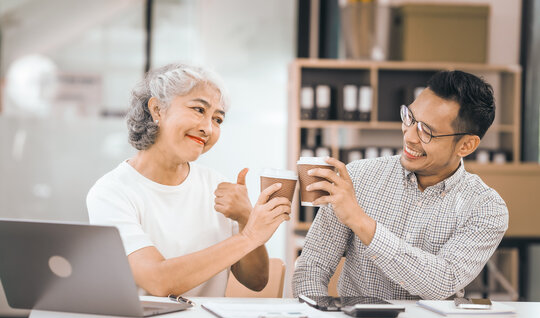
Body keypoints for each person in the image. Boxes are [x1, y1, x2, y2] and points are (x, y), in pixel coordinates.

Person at [293, 70, 509, 300]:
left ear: (466, 146)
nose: (410, 136)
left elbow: (442, 282)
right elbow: (311, 267)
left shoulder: (486, 208)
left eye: (427, 131)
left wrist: (360, 221)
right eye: (410, 118)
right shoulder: (357, 177)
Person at [87, 63, 291, 297]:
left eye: (218, 119)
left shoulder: (217, 186)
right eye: (199, 110)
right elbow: (158, 280)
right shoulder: (112, 192)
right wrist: (249, 235)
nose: (207, 128)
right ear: (157, 110)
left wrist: (246, 218)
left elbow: (256, 281)